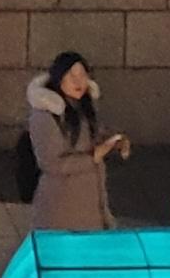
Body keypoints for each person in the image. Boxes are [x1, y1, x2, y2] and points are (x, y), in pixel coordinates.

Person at [25, 53, 130, 231]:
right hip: (61, 206)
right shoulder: (45, 115)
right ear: (59, 78)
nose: (78, 81)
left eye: (82, 74)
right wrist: (93, 156)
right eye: (71, 75)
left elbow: (91, 137)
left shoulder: (83, 107)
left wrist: (113, 141)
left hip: (90, 202)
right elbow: (51, 163)